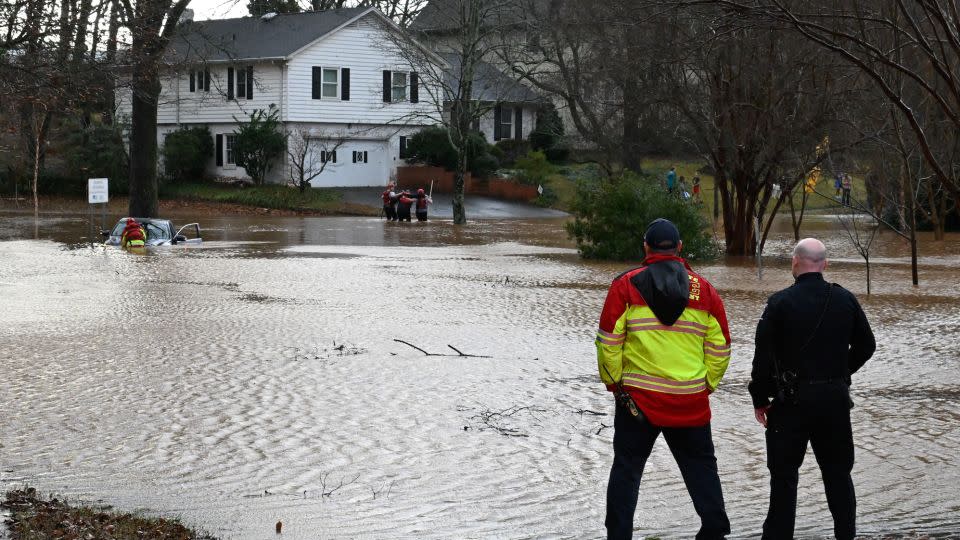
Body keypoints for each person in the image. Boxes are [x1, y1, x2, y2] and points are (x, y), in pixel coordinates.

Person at [596, 218, 732, 540]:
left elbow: (608, 342)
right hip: (690, 403)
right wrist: (705, 386)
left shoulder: (626, 286)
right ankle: (714, 531)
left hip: (637, 402)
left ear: (645, 248)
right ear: (680, 248)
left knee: (626, 471)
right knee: (702, 470)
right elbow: (721, 348)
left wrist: (615, 386)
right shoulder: (706, 291)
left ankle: (618, 536)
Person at [749, 238, 875, 540]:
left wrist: (759, 398)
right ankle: (846, 535)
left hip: (790, 403)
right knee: (838, 476)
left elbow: (762, 357)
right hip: (834, 401)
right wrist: (841, 372)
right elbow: (866, 345)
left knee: (784, 478)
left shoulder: (779, 303)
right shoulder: (845, 299)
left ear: (795, 262)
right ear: (825, 264)